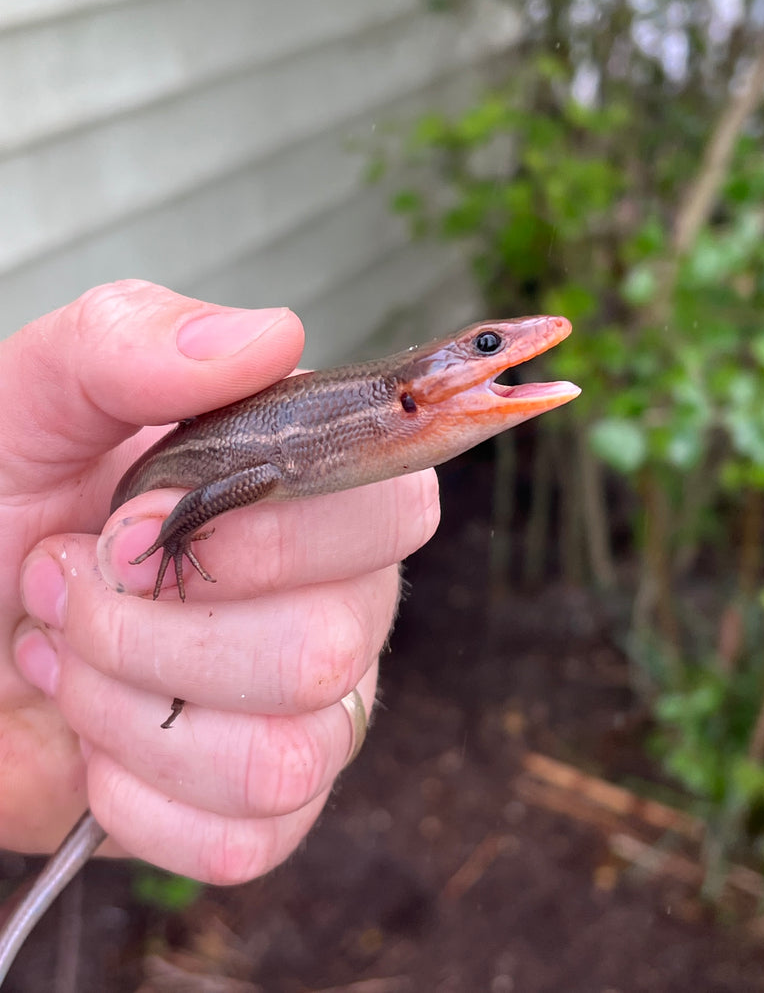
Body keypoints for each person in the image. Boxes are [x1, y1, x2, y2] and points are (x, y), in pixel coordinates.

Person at [0, 280, 440, 883]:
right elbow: (227, 487)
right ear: (407, 397)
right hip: (125, 524)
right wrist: (175, 535)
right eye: (487, 344)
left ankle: (170, 679)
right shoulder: (303, 445)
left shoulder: (336, 444)